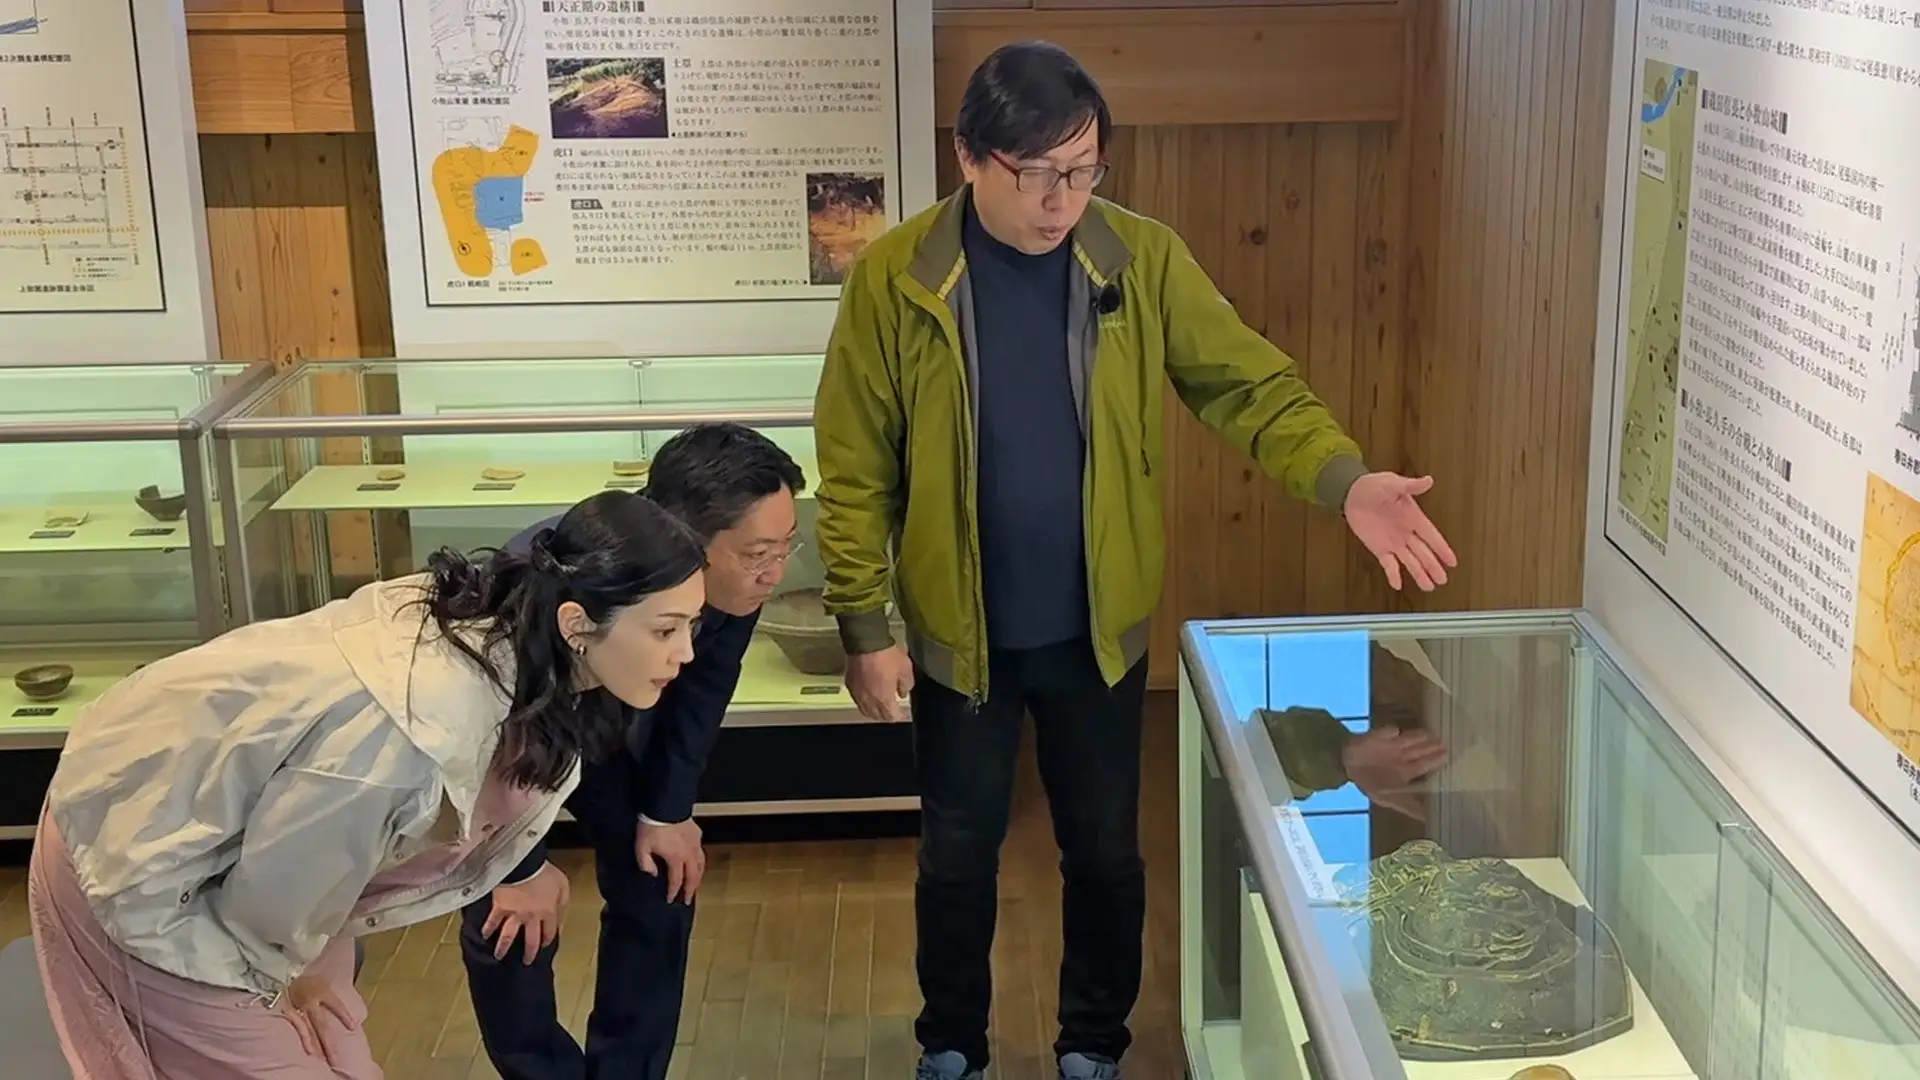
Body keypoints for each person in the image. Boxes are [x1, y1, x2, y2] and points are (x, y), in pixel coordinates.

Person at [812, 40, 1459, 1080]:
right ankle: (952, 1045)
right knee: (958, 855)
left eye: (1083, 170)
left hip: (1097, 633)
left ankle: (1092, 1046)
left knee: (1106, 851)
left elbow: (1248, 386)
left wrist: (1345, 481)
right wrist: (862, 624)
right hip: (956, 633)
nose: (1061, 200)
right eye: (1036, 173)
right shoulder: (898, 277)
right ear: (970, 157)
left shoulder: (1139, 258)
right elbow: (853, 464)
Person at [26, 491, 707, 1080]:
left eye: (692, 627)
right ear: (577, 623)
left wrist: (305, 970)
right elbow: (265, 909)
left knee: (338, 1042)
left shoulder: (524, 641)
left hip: (273, 863)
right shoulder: (410, 732)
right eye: (665, 630)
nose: (686, 653)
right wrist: (283, 985)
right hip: (142, 849)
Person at [459, 422, 806, 1080]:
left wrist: (667, 811)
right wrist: (515, 867)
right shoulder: (543, 581)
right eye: (759, 553)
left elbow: (704, 688)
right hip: (509, 739)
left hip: (618, 729)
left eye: (787, 545)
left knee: (662, 878)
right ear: (686, 539)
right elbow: (478, 745)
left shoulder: (737, 581)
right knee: (511, 914)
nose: (776, 572)